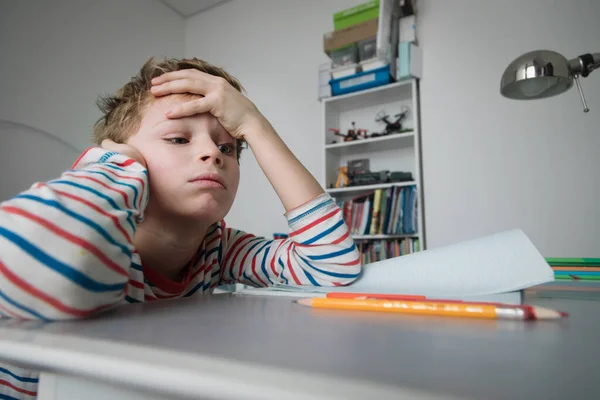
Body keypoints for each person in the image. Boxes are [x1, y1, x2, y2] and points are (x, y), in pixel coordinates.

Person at [0, 57, 362, 399]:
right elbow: (34, 262)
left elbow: (331, 266)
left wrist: (255, 125)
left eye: (229, 147)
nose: (213, 153)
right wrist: (115, 163)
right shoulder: (97, 242)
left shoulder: (220, 249)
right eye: (178, 139)